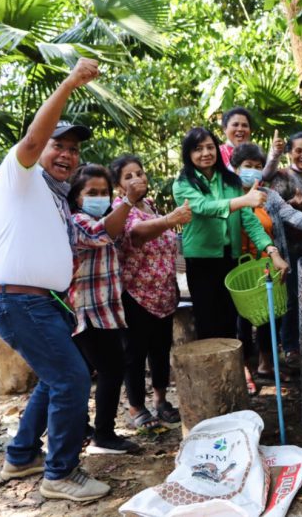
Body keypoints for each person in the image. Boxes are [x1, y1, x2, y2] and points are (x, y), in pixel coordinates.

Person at [0, 57, 111, 501]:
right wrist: (72, 81)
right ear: (40, 149)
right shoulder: (18, 175)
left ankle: (21, 455)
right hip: (22, 302)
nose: (67, 155)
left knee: (59, 377)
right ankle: (60, 474)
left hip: (44, 303)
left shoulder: (56, 198)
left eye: (74, 151)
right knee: (72, 379)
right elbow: (36, 136)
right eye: (60, 145)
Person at [172, 127, 287, 353]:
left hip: (230, 258)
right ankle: (210, 379)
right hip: (201, 261)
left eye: (209, 147)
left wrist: (272, 251)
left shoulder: (231, 181)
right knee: (207, 322)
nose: (205, 153)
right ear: (188, 154)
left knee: (229, 321)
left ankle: (230, 377)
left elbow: (249, 220)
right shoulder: (183, 183)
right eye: (198, 149)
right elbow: (205, 208)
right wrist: (244, 200)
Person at [230, 143, 302, 390]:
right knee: (240, 321)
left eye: (257, 167)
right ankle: (243, 370)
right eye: (247, 166)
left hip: (268, 264)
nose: (252, 171)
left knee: (267, 316)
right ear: (235, 168)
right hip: (238, 266)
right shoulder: (228, 195)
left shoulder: (268, 195)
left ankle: (266, 364)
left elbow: (289, 213)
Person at [110, 154, 192, 430]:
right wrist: (171, 219)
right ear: (119, 186)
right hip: (135, 296)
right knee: (134, 353)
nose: (136, 180)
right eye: (128, 176)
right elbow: (136, 234)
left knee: (160, 350)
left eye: (139, 173)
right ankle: (136, 407)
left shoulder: (152, 207)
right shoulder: (119, 211)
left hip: (164, 295)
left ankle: (160, 401)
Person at [67, 164, 144, 454]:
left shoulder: (110, 217)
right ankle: (104, 435)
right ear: (77, 196)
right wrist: (127, 201)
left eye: (104, 192)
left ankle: (86, 428)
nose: (99, 197)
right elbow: (102, 232)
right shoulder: (77, 221)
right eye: (92, 193)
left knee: (92, 371)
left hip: (106, 310)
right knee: (111, 370)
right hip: (86, 311)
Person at [264, 131, 302, 370]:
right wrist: (293, 205)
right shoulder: (282, 176)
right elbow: (273, 210)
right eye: (298, 150)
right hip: (289, 249)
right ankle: (289, 348)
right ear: (290, 152)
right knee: (290, 301)